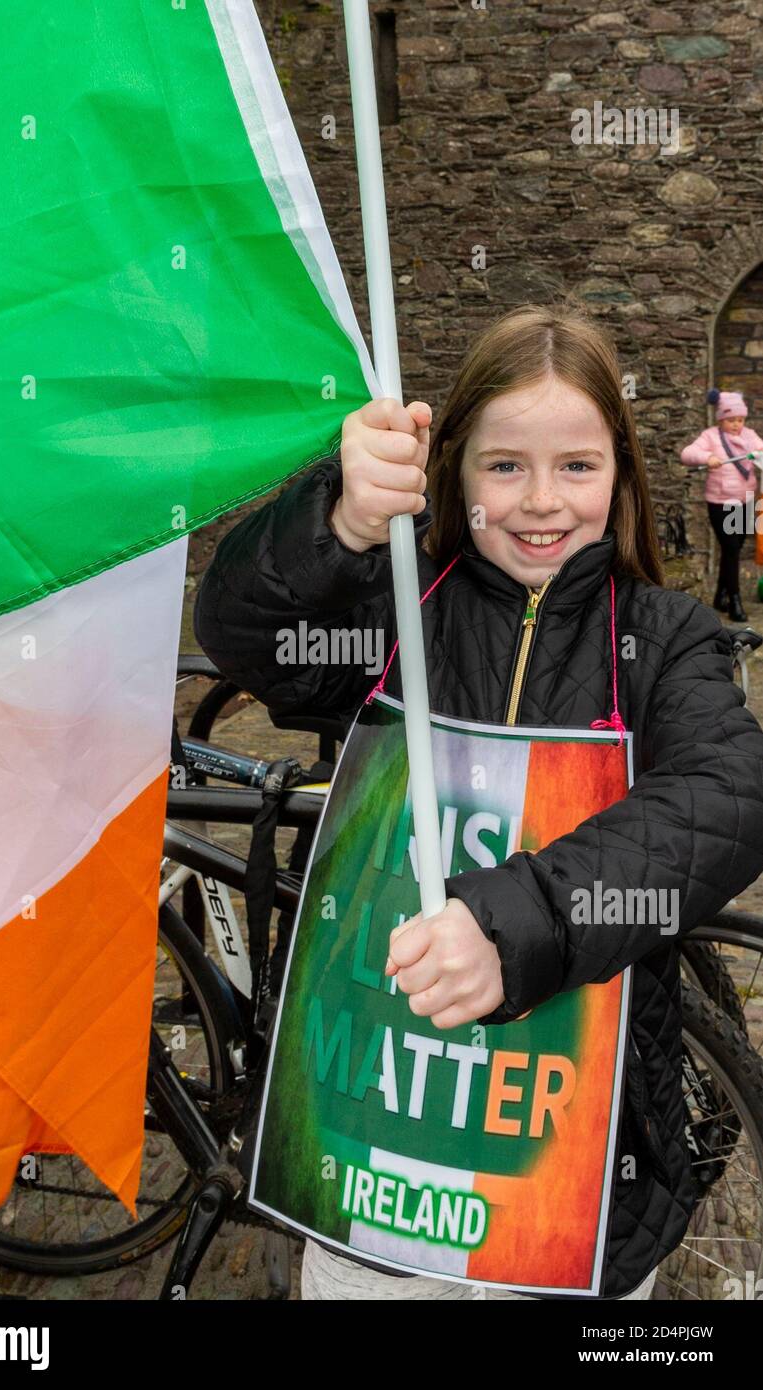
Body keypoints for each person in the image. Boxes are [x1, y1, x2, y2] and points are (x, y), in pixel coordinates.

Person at [194, 303, 763, 1301]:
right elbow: (246, 629)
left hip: (574, 1181)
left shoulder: (665, 638)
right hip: (374, 1167)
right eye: (504, 466)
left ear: (621, 476)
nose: (541, 500)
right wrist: (336, 521)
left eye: (576, 466)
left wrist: (521, 922)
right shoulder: (393, 614)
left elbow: (729, 792)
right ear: (450, 473)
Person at [681, 388, 763, 622]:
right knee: (731, 549)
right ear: (721, 418)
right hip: (721, 502)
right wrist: (707, 458)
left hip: (746, 500)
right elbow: (688, 453)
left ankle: (720, 595)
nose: (736, 424)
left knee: (734, 547)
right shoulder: (711, 437)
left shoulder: (749, 435)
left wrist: (758, 453)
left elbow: (761, 448)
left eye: (740, 419)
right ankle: (735, 599)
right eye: (731, 420)